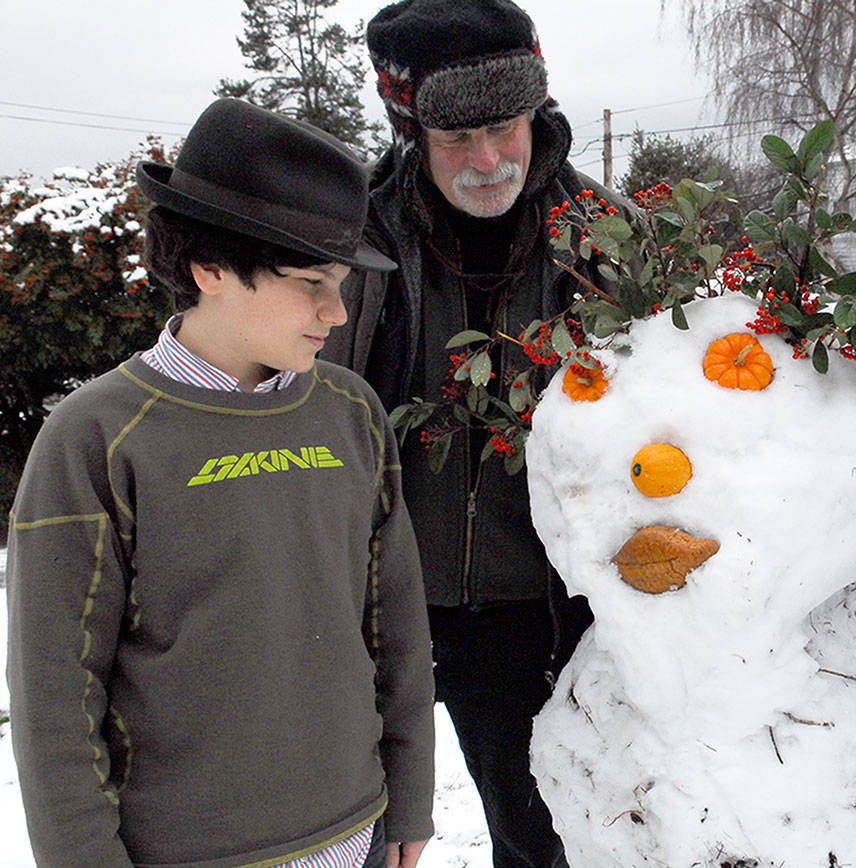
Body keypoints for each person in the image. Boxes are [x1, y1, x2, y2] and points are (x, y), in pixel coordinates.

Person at [6, 97, 435, 868]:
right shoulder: (98, 438)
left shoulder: (350, 413)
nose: (336, 311)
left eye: (339, 281)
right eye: (312, 282)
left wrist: (409, 796)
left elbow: (395, 623)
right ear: (210, 268)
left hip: (360, 835)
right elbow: (55, 697)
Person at [320, 1, 617, 865]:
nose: (488, 160)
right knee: (352, 836)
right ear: (413, 129)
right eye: (456, 138)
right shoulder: (354, 239)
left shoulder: (605, 237)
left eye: (503, 124)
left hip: (531, 614)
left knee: (538, 837)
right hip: (371, 603)